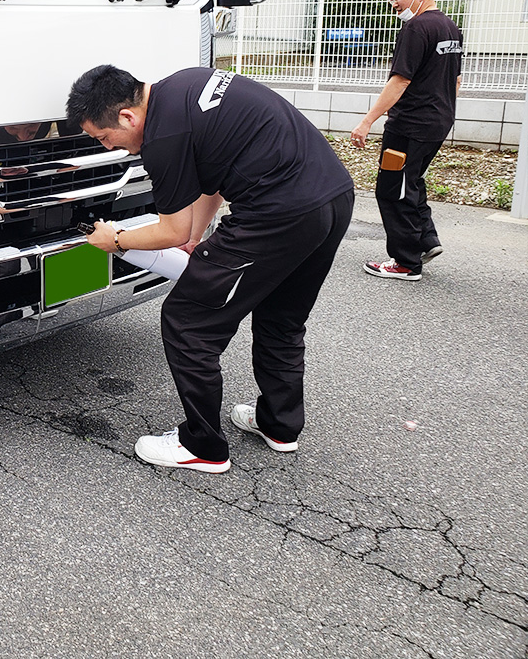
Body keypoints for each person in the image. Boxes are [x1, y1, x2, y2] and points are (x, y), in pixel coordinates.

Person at [66, 65, 354, 473]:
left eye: (103, 137)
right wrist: (196, 235)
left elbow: (170, 229)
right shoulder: (186, 85)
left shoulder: (162, 137)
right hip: (332, 195)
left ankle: (202, 446)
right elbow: (211, 180)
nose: (110, 147)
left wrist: (114, 240)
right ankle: (279, 425)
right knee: (282, 318)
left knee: (188, 321)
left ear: (127, 117)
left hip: (276, 213)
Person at [351, 0, 463, 281]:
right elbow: (455, 80)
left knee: (392, 189)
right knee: (411, 181)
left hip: (410, 125)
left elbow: (400, 80)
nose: (394, 3)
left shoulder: (417, 28)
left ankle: (405, 262)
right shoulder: (450, 28)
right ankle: (425, 242)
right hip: (437, 123)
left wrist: (367, 120)